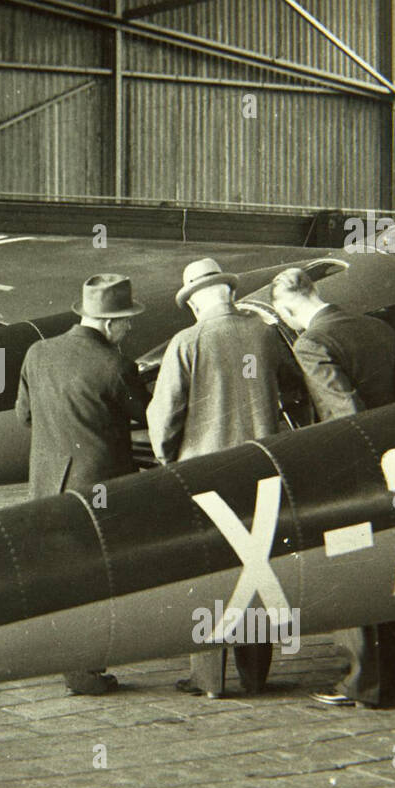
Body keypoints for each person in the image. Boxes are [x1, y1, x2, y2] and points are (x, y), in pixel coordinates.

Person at [270, 266, 395, 709]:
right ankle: (386, 680)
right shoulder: (378, 329)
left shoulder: (311, 342)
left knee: (353, 567)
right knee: (394, 568)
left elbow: (344, 414)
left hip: (354, 470)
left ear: (288, 307)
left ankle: (361, 683)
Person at [148, 258, 300, 699]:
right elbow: (295, 388)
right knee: (256, 568)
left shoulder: (187, 342)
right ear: (230, 295)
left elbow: (165, 417)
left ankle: (208, 679)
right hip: (261, 471)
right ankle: (255, 676)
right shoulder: (264, 335)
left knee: (210, 571)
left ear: (195, 302)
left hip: (203, 477)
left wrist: (168, 460)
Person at [16, 273, 150, 695]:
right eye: (126, 321)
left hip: (47, 484)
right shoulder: (114, 364)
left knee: (65, 576)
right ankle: (85, 672)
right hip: (100, 490)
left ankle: (70, 661)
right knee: (98, 579)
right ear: (110, 323)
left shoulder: (38, 353)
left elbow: (24, 415)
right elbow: (149, 416)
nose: (129, 329)